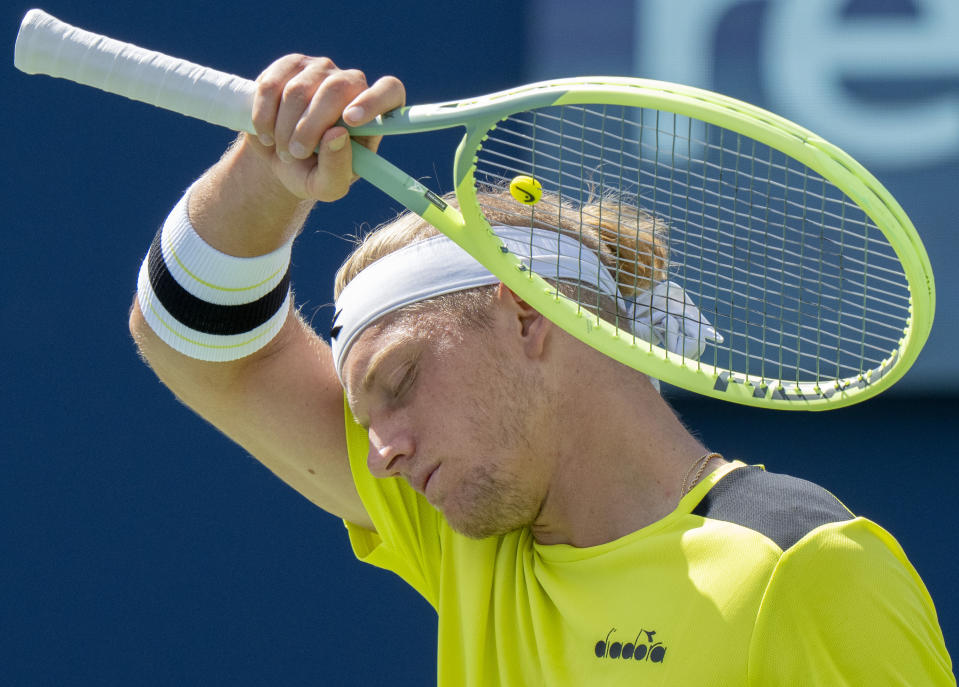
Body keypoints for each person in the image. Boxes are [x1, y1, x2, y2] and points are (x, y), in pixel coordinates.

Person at [130, 54, 955, 685]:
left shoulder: (803, 565)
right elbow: (188, 339)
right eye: (366, 412)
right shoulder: (460, 531)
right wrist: (267, 170)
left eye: (401, 380)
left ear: (525, 315)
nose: (380, 449)